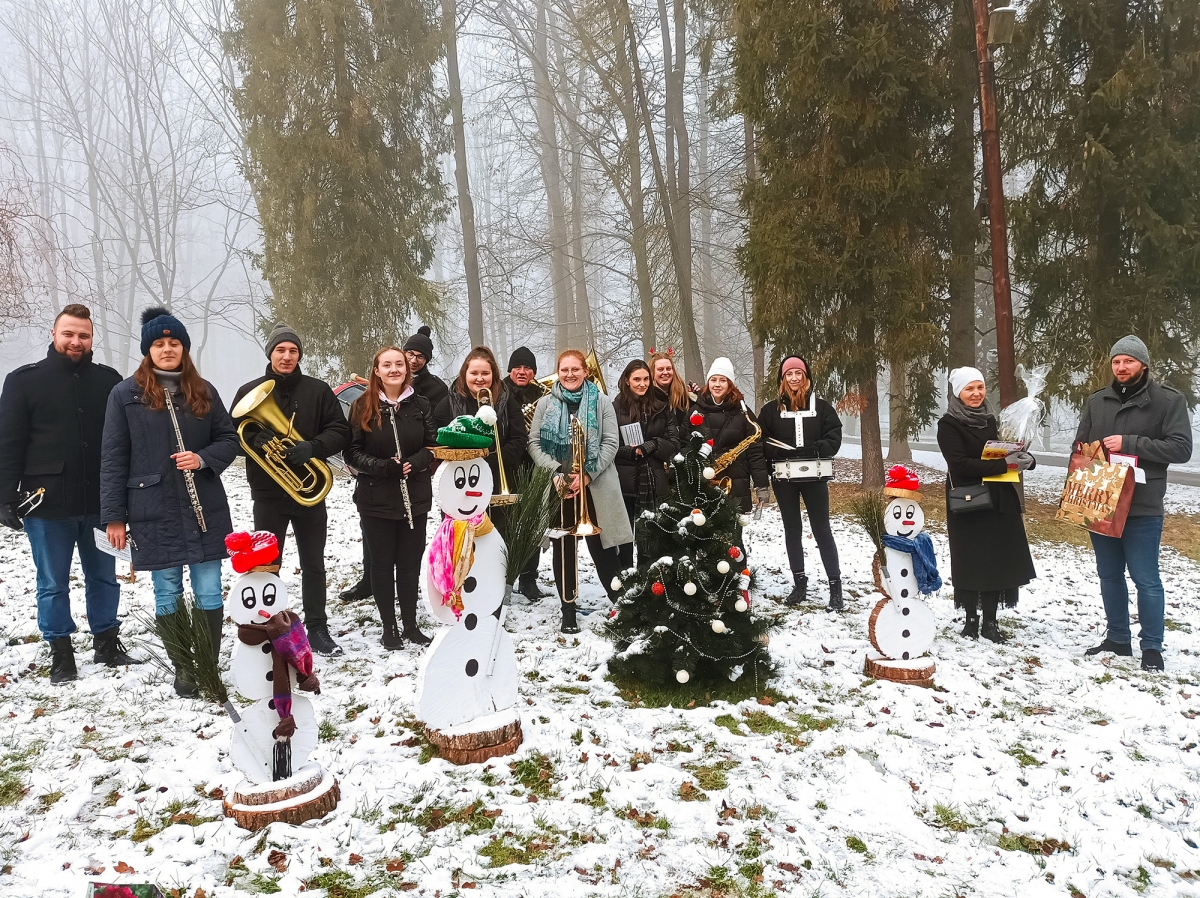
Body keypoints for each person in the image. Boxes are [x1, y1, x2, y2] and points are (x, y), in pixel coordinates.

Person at [101, 307, 238, 696]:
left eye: (173, 343)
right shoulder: (124, 394)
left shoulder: (204, 390)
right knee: (167, 591)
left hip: (204, 507)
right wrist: (114, 517)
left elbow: (229, 440)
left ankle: (208, 663)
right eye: (159, 344)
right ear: (148, 350)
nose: (166, 349)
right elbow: (113, 456)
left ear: (184, 348)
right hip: (153, 510)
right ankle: (183, 666)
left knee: (210, 590)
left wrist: (202, 459)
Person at [0, 304, 137, 683]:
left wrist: (128, 498)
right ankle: (61, 652)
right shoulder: (23, 381)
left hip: (103, 504)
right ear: (54, 334)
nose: (76, 341)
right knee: (52, 581)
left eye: (84, 335)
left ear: (92, 339)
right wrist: (5, 496)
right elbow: (8, 443)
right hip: (47, 506)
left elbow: (125, 443)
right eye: (69, 334)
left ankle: (107, 642)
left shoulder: (109, 381)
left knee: (105, 576)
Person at [231, 323, 351, 656]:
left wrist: (312, 448)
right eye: (281, 350)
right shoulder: (247, 390)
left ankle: (317, 628)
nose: (287, 356)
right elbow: (231, 436)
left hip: (309, 493)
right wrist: (254, 439)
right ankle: (269, 626)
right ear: (270, 353)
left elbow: (340, 432)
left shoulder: (318, 390)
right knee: (268, 565)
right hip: (268, 494)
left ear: (299, 355)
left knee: (314, 563)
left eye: (293, 351)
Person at [1075, 336, 1192, 671]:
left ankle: (1152, 647)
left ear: (1143, 364)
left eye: (1128, 361)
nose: (1121, 367)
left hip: (1142, 504)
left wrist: (1130, 443)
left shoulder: (1168, 401)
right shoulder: (1098, 401)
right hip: (1101, 500)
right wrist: (1086, 452)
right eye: (1116, 362)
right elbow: (1081, 443)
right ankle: (1118, 638)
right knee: (1109, 574)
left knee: (1145, 577)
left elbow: (1181, 448)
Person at [528, 350, 633, 633]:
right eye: (565, 370)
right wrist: (555, 473)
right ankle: (568, 610)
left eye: (576, 369)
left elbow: (611, 442)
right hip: (558, 486)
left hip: (594, 485)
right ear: (558, 372)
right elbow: (534, 443)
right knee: (563, 550)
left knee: (604, 549)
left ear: (585, 372)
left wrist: (587, 475)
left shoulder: (601, 401)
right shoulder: (544, 403)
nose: (570, 375)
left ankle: (620, 602)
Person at [936, 366, 1036, 643]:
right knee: (972, 559)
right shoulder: (949, 425)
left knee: (996, 559)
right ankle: (971, 619)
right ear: (958, 392)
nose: (976, 393)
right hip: (970, 501)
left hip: (1001, 499)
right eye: (969, 388)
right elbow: (959, 464)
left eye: (979, 387)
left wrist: (1028, 460)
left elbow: (1013, 449)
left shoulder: (996, 421)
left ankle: (991, 621)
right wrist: (1004, 463)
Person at [347, 347, 437, 650]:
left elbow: (433, 444)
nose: (394, 369)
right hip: (376, 498)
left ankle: (410, 625)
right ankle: (389, 627)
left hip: (416, 496)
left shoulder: (421, 405)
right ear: (377, 370)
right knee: (382, 564)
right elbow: (352, 452)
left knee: (410, 563)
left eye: (399, 364)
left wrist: (417, 461)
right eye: (387, 365)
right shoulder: (362, 406)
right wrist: (383, 467)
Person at [758, 356, 844, 610]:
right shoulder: (771, 410)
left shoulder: (823, 407)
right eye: (789, 374)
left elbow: (834, 437)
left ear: (805, 376)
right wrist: (778, 453)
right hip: (784, 480)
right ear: (782, 378)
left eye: (798, 373)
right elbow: (761, 441)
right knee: (792, 530)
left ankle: (835, 587)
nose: (794, 378)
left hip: (814, 477)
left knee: (822, 529)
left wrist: (814, 448)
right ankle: (799, 583)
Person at [692, 358, 770, 546]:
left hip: (736, 484)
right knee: (704, 539)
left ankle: (737, 574)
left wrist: (761, 486)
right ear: (708, 382)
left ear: (730, 384)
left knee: (734, 541)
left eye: (723, 380)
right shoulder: (695, 410)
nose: (717, 385)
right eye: (713, 379)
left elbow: (756, 452)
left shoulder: (743, 412)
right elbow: (684, 444)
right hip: (704, 484)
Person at [613, 360, 679, 570]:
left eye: (645, 379)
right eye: (637, 379)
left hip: (654, 481)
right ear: (627, 380)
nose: (642, 384)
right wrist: (630, 451)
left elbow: (675, 445)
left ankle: (649, 579)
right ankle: (626, 581)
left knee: (650, 536)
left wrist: (652, 445)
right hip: (623, 483)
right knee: (624, 539)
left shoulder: (662, 407)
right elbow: (608, 445)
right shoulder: (615, 407)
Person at [434, 346, 527, 488]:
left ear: (493, 375)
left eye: (485, 373)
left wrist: (492, 460)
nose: (479, 378)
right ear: (464, 374)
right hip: (460, 478)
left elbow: (519, 439)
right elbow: (437, 440)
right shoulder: (447, 403)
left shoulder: (508, 401)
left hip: (500, 476)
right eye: (474, 373)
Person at [503, 347, 551, 599]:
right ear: (510, 369)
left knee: (533, 523)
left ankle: (529, 579)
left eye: (527, 368)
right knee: (505, 523)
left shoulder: (544, 394)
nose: (522, 372)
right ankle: (503, 576)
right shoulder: (498, 391)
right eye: (517, 367)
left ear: (534, 371)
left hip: (535, 466)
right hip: (507, 467)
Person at [649, 350, 696, 433]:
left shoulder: (683, 396)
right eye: (660, 369)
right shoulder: (647, 398)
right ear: (652, 372)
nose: (665, 372)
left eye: (668, 369)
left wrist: (697, 398)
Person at [404, 325, 449, 411]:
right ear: (404, 353)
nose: (413, 360)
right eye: (410, 354)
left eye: (420, 357)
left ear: (426, 360)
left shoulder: (438, 388)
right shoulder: (390, 380)